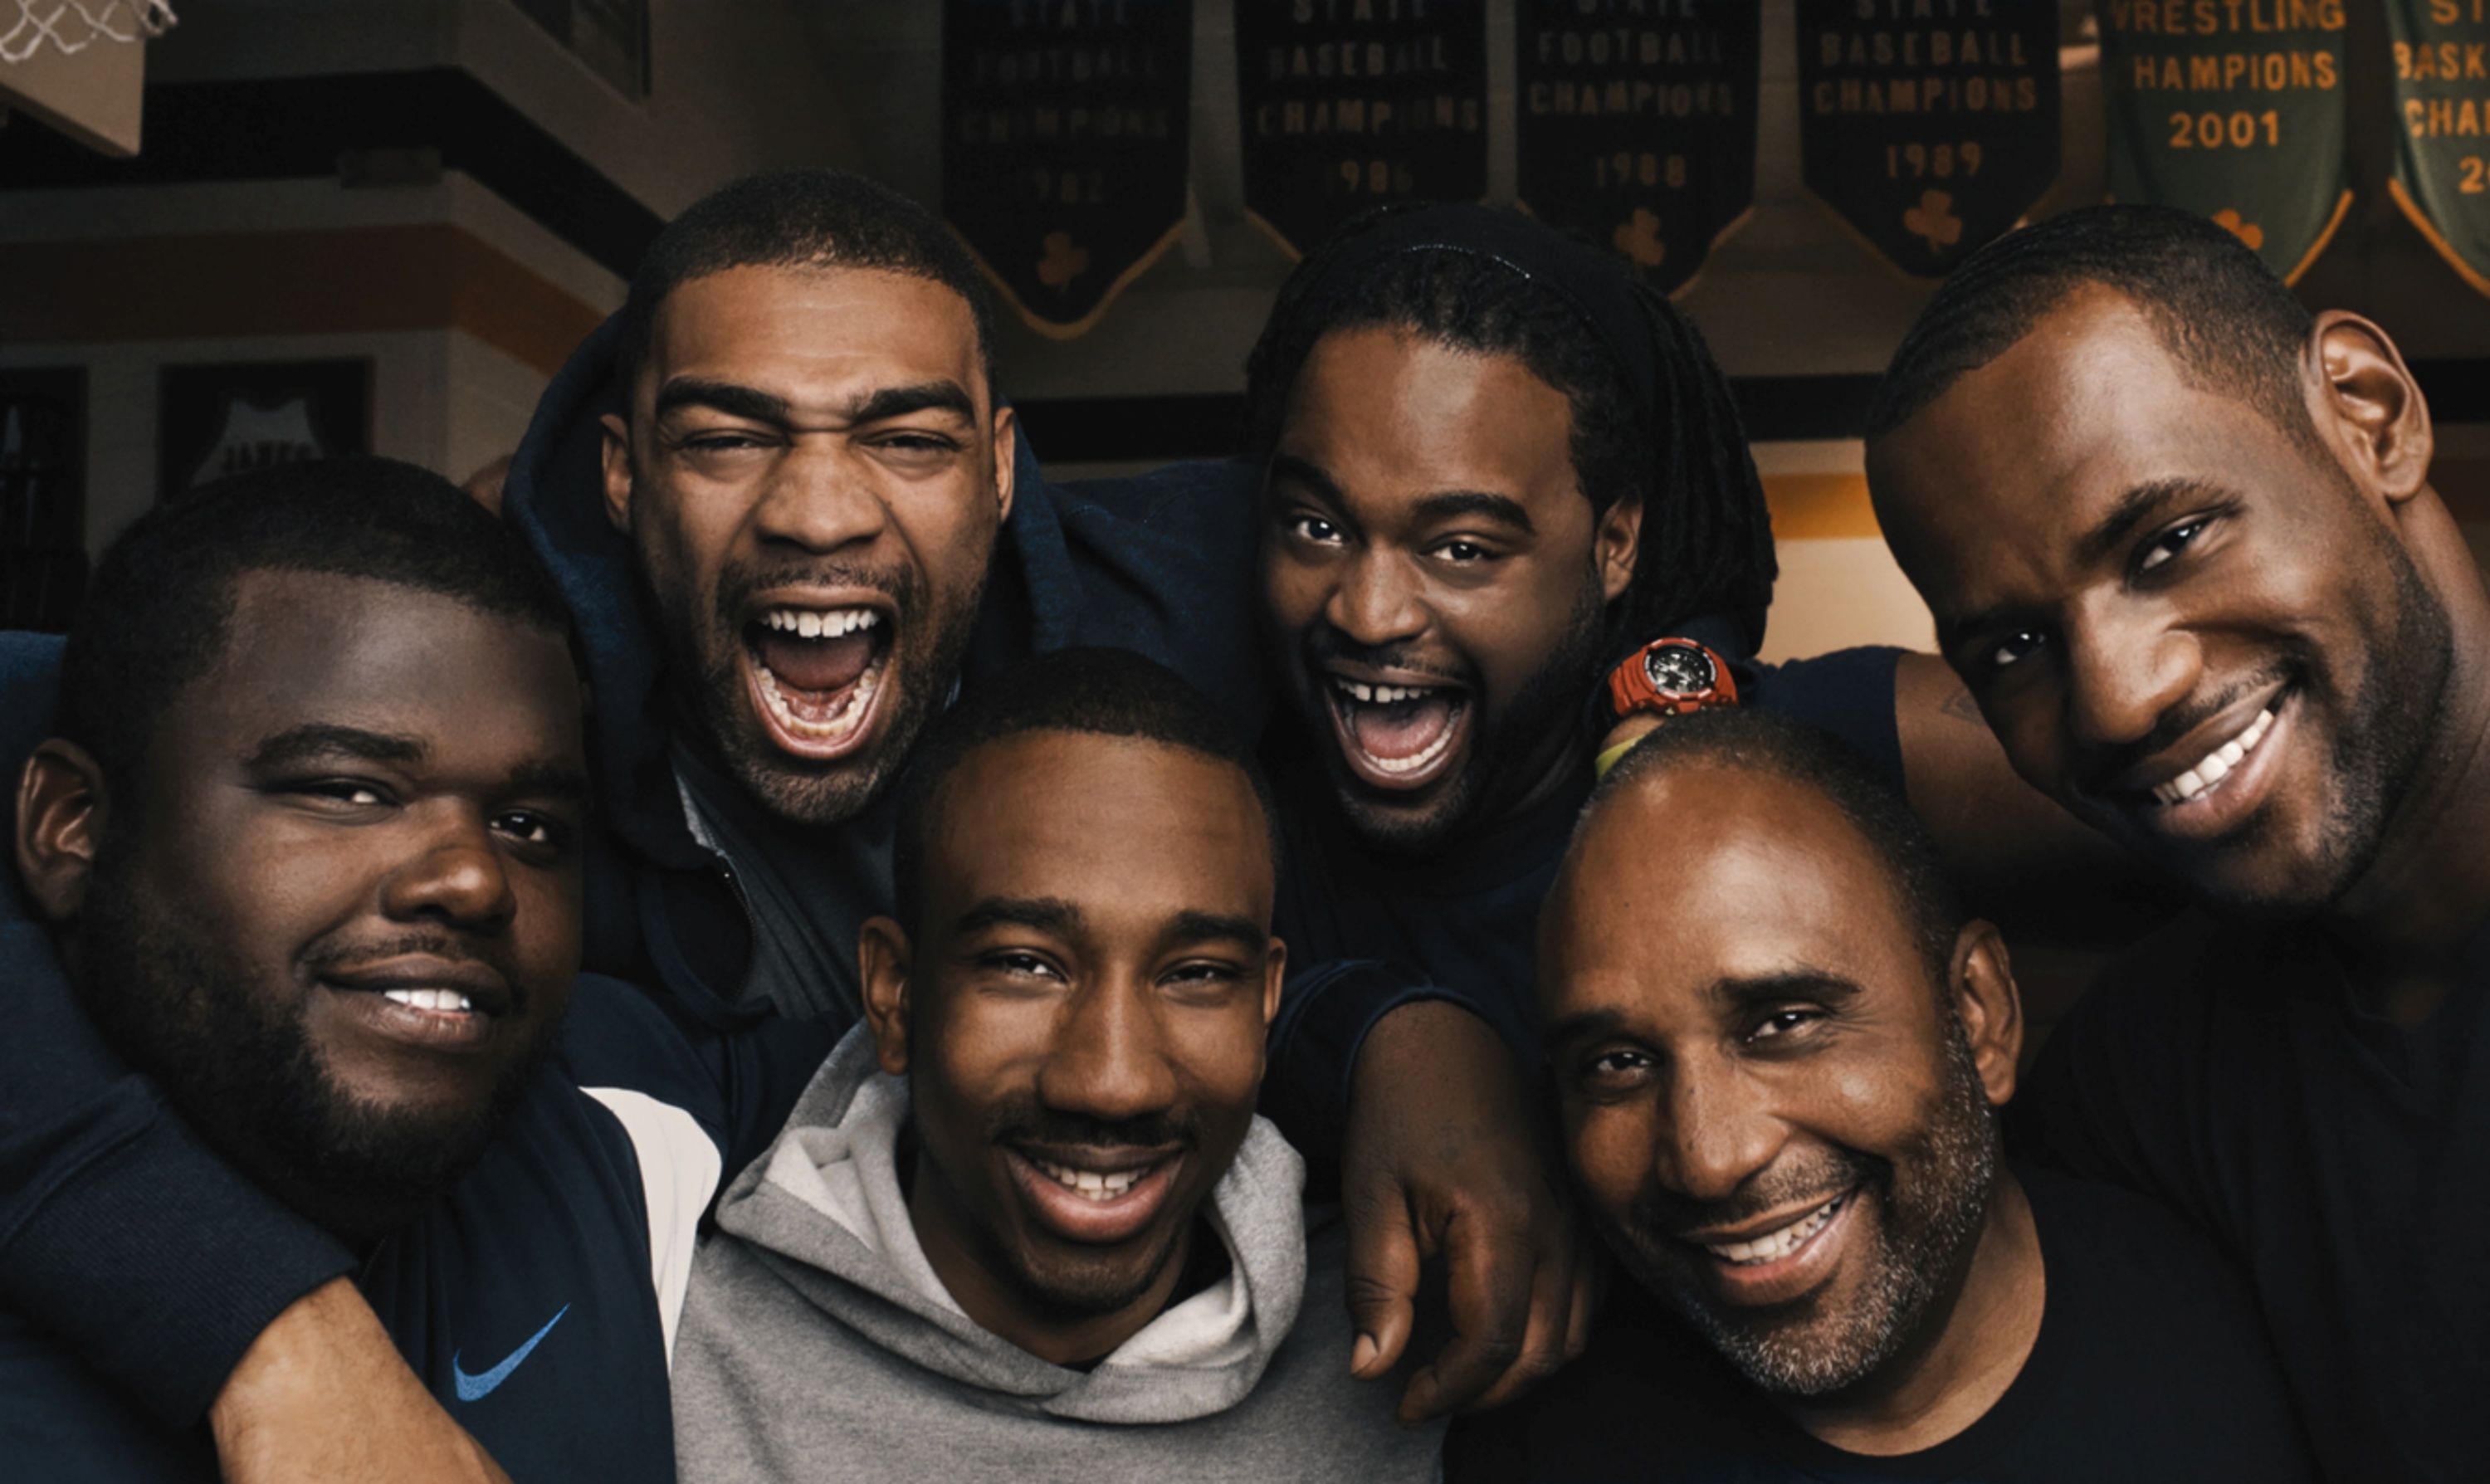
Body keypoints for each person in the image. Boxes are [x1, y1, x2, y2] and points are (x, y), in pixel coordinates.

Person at [0, 170, 1579, 1440]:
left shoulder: (1206, 598)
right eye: (730, 435)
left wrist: (1400, 1036)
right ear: (620, 477)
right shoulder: (493, 662)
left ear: (1003, 469)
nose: (819, 508)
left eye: (904, 435)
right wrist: (260, 1322)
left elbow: (1657, 611)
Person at [0, 460, 829, 1482]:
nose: (475, 879)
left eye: (530, 826)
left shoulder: (613, 1099)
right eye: (348, 790)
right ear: (71, 826)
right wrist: (252, 1311)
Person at [1863, 203, 2490, 1482]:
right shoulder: (2138, 1093)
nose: (2115, 697)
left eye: (2168, 542)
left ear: (2370, 416)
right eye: (2013, 650)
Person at [1240, 203, 2143, 1079]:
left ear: (1615, 544)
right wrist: (1373, 1043)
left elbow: (2222, 815)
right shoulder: (1223, 810)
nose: (1368, 612)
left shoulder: (1802, 751)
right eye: (1316, 527)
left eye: (1462, 548)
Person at [1452, 709, 2313, 1480]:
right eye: (1616, 1065)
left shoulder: (2254, 1333)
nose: (1709, 1160)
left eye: (1783, 1022)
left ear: (1978, 1016)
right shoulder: (1544, 1444)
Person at [669, 648, 1447, 1482]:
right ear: (895, 993)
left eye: (1196, 975)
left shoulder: (1429, 1346)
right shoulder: (676, 1371)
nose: (1113, 1083)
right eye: (1026, 965)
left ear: (1265, 1003)